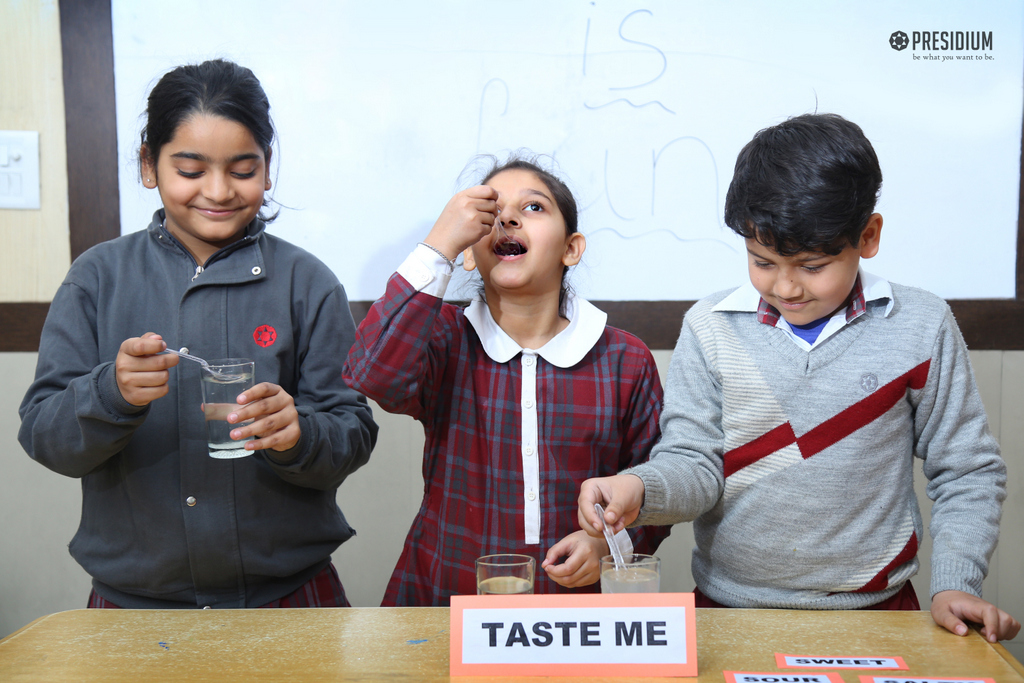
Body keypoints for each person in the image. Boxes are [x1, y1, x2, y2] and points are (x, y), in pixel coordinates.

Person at [578, 114, 1020, 642]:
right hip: (728, 612)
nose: (786, 287)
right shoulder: (710, 326)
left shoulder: (921, 326)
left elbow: (967, 470)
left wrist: (956, 583)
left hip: (879, 615)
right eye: (761, 261)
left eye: (812, 266)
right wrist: (638, 486)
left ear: (868, 235)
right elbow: (695, 464)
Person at [18, 59, 378, 609]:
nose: (218, 190)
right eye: (190, 170)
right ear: (148, 165)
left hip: (288, 597)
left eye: (242, 169)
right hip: (134, 605)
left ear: (268, 166)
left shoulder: (307, 282)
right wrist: (110, 392)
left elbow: (352, 434)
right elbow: (44, 436)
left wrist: (297, 434)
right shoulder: (97, 277)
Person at [343, 156, 669, 605]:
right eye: (492, 212)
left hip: (578, 614)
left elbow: (659, 486)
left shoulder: (624, 359)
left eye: (533, 207)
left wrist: (609, 546)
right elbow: (371, 372)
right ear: (471, 254)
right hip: (445, 599)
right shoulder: (442, 338)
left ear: (571, 249)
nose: (509, 217)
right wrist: (439, 246)